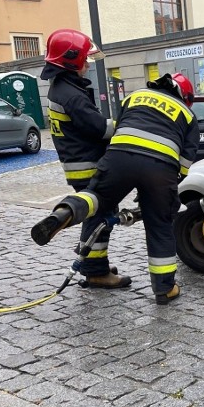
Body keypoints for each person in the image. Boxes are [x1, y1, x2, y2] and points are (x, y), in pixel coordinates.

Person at [31, 73, 199, 305]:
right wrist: (161, 194)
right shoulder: (188, 115)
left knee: (96, 197)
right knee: (160, 225)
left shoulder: (135, 96)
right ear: (184, 95)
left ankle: (66, 211)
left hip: (118, 158)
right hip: (160, 170)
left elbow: (119, 128)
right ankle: (164, 288)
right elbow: (184, 164)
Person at [41, 28, 127, 288]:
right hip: (88, 166)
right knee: (100, 216)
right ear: (71, 60)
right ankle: (96, 271)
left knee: (94, 215)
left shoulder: (63, 88)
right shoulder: (71, 95)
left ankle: (92, 263)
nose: (88, 64)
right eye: (84, 59)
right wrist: (126, 124)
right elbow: (100, 129)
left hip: (78, 165)